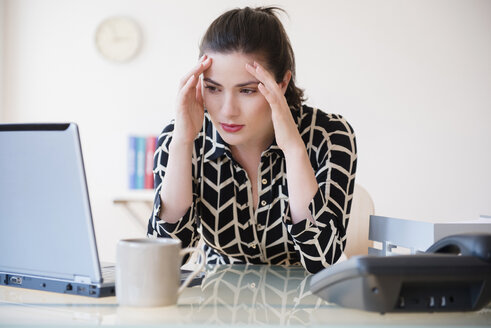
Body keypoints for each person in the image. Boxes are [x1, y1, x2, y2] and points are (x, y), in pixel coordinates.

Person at [147, 6, 357, 274]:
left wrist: (294, 150)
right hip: (217, 301)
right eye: (213, 88)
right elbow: (164, 260)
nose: (227, 110)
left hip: (303, 304)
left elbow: (322, 260)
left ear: (281, 84)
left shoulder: (329, 135)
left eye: (246, 90)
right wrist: (182, 143)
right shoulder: (182, 137)